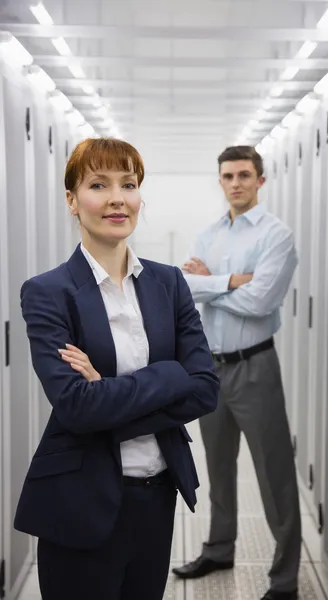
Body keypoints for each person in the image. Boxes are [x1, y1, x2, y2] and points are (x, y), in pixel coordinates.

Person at [14, 137, 219, 600]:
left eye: (128, 184)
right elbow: (77, 408)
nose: (116, 198)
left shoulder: (169, 284)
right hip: (79, 500)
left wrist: (109, 391)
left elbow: (205, 389)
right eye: (98, 184)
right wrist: (169, 376)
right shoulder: (49, 293)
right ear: (72, 199)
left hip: (156, 494)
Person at [172, 145, 301, 600]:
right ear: (220, 180)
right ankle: (219, 548)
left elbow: (261, 302)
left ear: (260, 180)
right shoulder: (208, 234)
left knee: (274, 475)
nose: (235, 183)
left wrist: (212, 285)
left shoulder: (276, 236)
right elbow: (186, 289)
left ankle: (284, 581)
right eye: (227, 176)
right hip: (211, 369)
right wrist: (232, 280)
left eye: (245, 175)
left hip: (255, 367)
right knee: (218, 468)